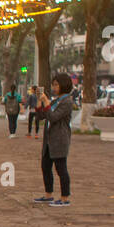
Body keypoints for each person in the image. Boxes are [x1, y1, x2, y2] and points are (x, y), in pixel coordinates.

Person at [33, 72, 74, 206]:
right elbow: (41, 117)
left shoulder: (67, 101)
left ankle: (64, 198)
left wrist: (46, 102)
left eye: (56, 85)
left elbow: (53, 117)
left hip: (59, 139)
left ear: (64, 85)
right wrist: (40, 101)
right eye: (53, 85)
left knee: (61, 169)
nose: (54, 87)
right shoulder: (56, 100)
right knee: (45, 167)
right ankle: (48, 194)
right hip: (49, 140)